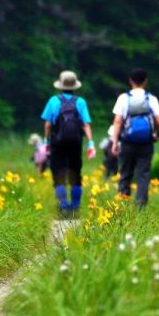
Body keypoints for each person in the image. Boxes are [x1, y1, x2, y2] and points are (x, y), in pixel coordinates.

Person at [41, 70, 95, 215]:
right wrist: (91, 144)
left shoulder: (53, 101)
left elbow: (47, 125)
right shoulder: (81, 102)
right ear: (75, 86)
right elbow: (86, 125)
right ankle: (75, 207)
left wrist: (46, 142)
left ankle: (63, 206)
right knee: (75, 173)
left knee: (58, 173)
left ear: (60, 85)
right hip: (75, 143)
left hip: (57, 143)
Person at [110, 69, 159, 206]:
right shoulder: (151, 98)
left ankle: (122, 204)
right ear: (146, 81)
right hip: (146, 143)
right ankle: (140, 206)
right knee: (143, 175)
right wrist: (157, 134)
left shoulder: (123, 98)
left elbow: (117, 121)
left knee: (125, 173)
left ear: (130, 80)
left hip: (127, 142)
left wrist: (115, 141)